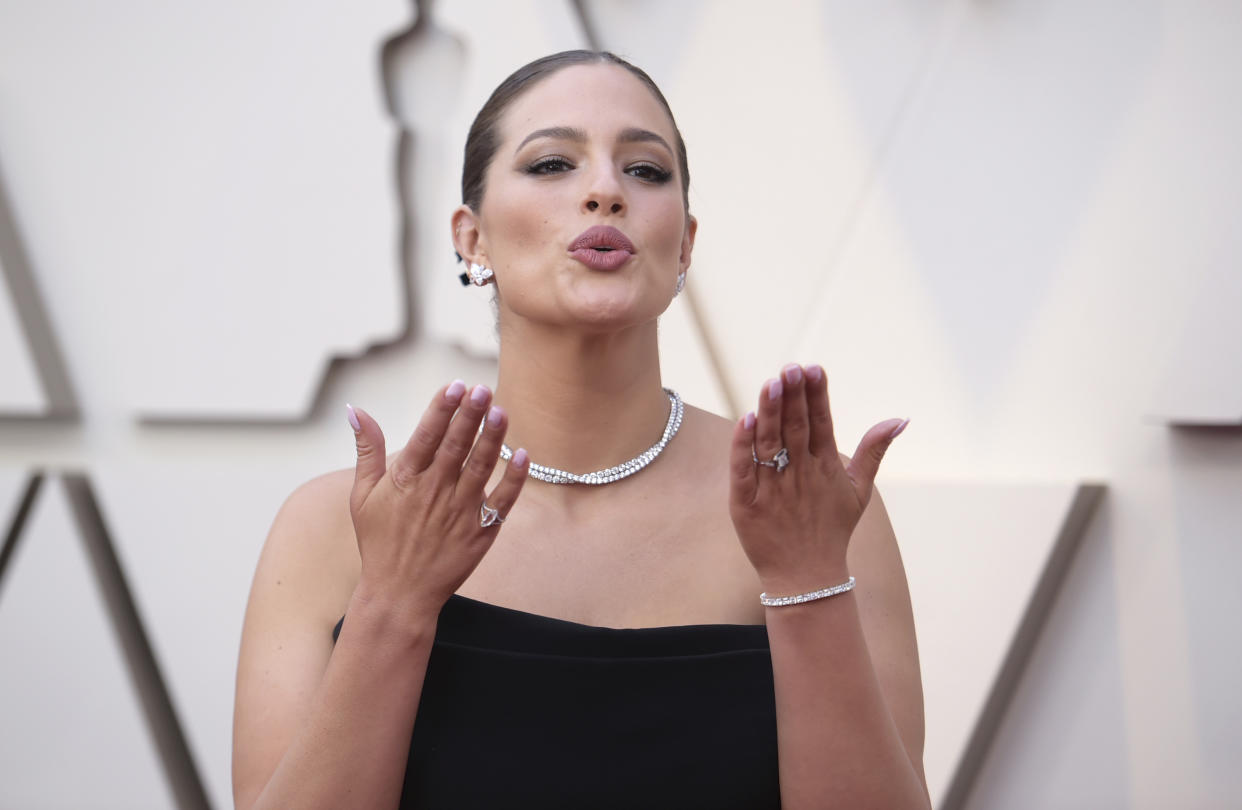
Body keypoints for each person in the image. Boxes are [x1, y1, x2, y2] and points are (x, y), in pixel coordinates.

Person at [232, 50, 929, 810]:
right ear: (473, 239)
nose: (604, 191)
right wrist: (393, 604)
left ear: (686, 242)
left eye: (646, 171)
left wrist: (805, 583)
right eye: (554, 163)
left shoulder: (813, 514)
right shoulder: (335, 528)